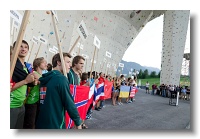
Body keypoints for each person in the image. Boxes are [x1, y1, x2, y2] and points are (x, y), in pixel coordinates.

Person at [35, 53, 82, 129]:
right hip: (55, 124)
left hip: (41, 122)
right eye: (67, 62)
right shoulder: (61, 79)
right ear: (59, 62)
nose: (70, 65)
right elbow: (69, 103)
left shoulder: (45, 78)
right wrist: (78, 121)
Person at [10, 40, 35, 129]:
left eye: (26, 47)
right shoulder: (11, 65)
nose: (23, 49)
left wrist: (33, 81)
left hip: (21, 105)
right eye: (20, 46)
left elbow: (28, 82)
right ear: (14, 49)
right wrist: (25, 81)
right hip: (11, 105)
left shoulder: (25, 66)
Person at [23, 57, 47, 129]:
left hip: (38, 101)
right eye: (44, 62)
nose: (46, 64)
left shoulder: (42, 75)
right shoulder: (34, 73)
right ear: (38, 64)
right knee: (30, 124)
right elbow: (42, 81)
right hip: (31, 102)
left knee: (35, 123)